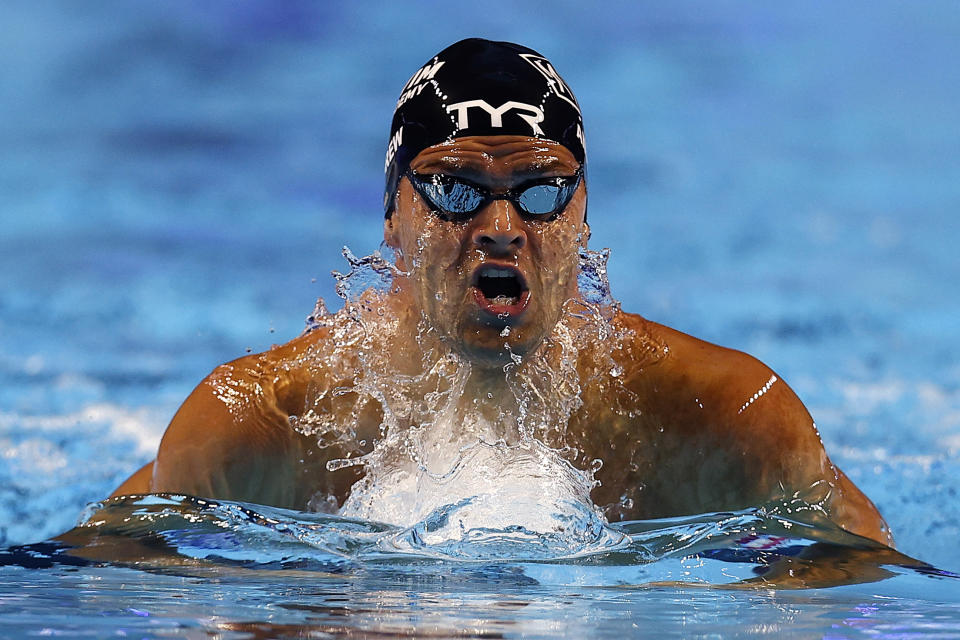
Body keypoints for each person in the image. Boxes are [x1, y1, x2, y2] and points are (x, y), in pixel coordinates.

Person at [111, 38, 892, 546]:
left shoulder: (724, 416)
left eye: (541, 192)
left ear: (583, 214)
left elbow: (865, 582)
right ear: (393, 215)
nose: (500, 226)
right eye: (455, 189)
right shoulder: (260, 426)